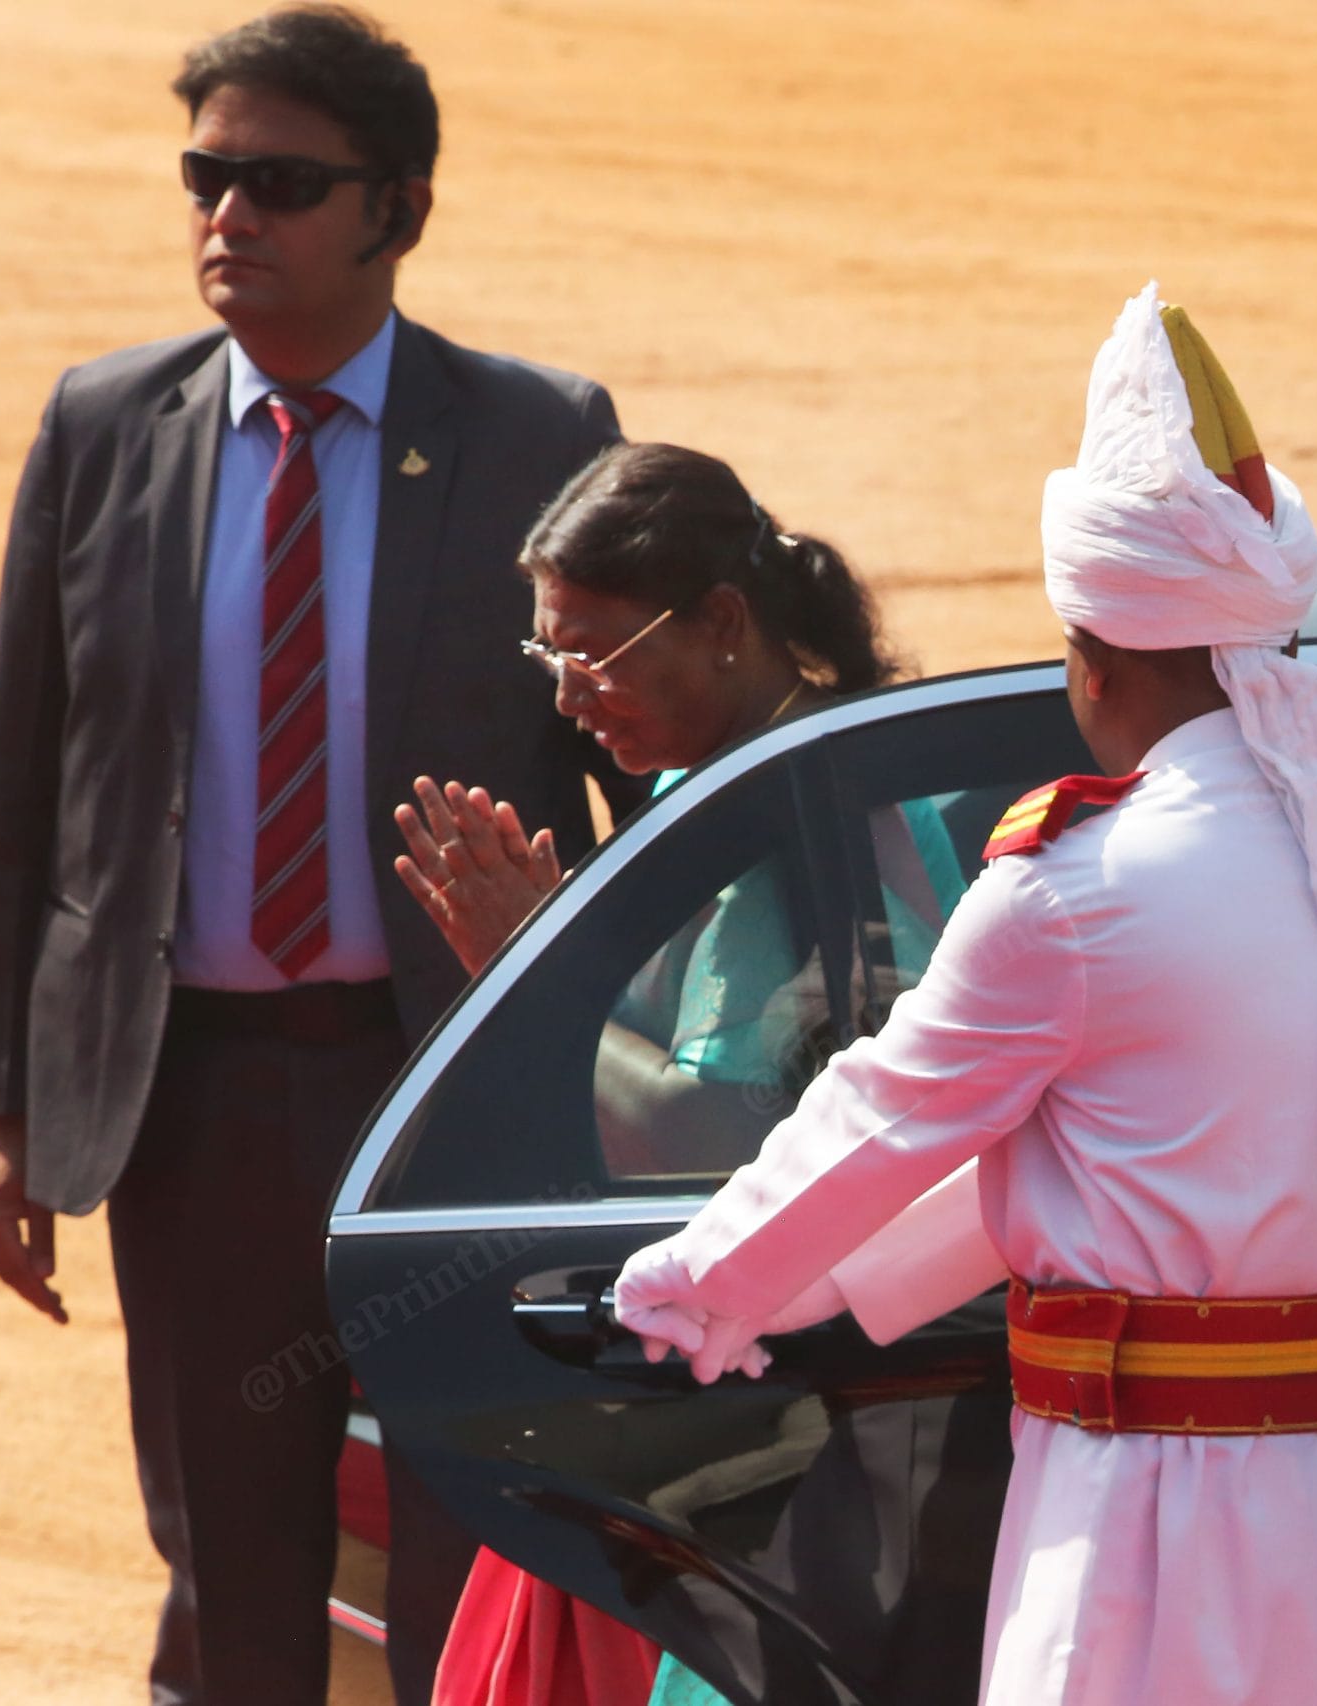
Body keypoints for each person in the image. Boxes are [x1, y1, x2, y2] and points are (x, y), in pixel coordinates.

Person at [608, 284, 1317, 1703]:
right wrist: (832, 1278)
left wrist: (695, 1286)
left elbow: (886, 1112)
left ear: (1088, 658)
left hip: (1151, 1508)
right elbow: (1128, 1144)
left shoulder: (1076, 884)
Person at [0, 9, 635, 1702]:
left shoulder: (540, 436)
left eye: (278, 183)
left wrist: (631, 1081)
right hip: (191, 1101)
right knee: (225, 1551)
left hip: (443, 1096)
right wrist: (12, 1116)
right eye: (207, 177)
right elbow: (26, 790)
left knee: (462, 1529)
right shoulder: (107, 423)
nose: (227, 218)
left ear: (393, 211)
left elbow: (624, 766)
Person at [395, 441, 961, 1706]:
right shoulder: (728, 782)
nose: (565, 694)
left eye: (591, 652)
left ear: (718, 622)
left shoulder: (799, 808)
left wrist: (537, 965)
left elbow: (709, 1128)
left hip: (788, 1416)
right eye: (549, 653)